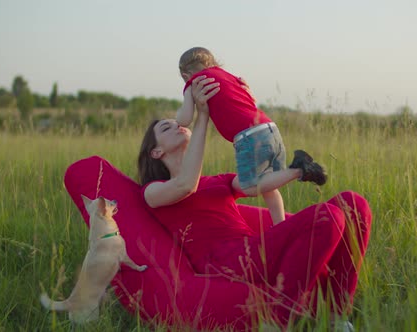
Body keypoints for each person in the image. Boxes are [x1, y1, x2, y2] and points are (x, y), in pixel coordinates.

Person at [137, 76, 373, 326]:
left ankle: (336, 317)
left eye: (177, 123)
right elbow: (186, 184)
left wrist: (296, 171)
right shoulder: (153, 191)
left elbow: (258, 184)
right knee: (330, 217)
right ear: (156, 152)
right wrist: (203, 117)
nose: (177, 125)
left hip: (253, 247)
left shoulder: (217, 180)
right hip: (225, 261)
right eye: (166, 128)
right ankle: (281, 319)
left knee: (354, 204)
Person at [175, 46, 326, 225]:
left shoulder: (194, 81)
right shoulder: (230, 77)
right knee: (269, 185)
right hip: (269, 128)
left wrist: (186, 101)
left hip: (249, 137)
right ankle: (281, 226)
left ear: (186, 74)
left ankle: (300, 169)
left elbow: (184, 120)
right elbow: (250, 99)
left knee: (250, 186)